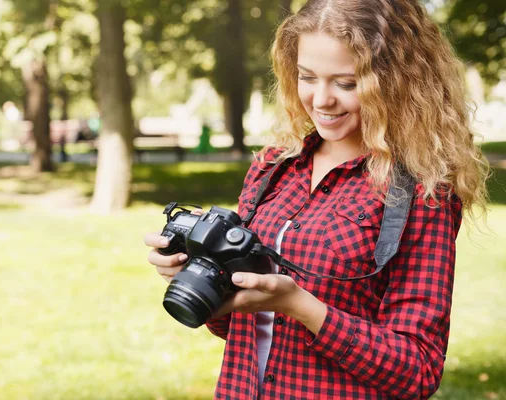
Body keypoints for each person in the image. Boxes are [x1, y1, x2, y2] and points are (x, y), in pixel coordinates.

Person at [144, 0, 489, 398]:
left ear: (396, 82)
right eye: (308, 77)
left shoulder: (422, 193)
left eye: (346, 83)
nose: (321, 100)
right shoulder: (274, 166)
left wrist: (301, 306)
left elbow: (418, 370)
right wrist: (199, 275)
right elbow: (242, 329)